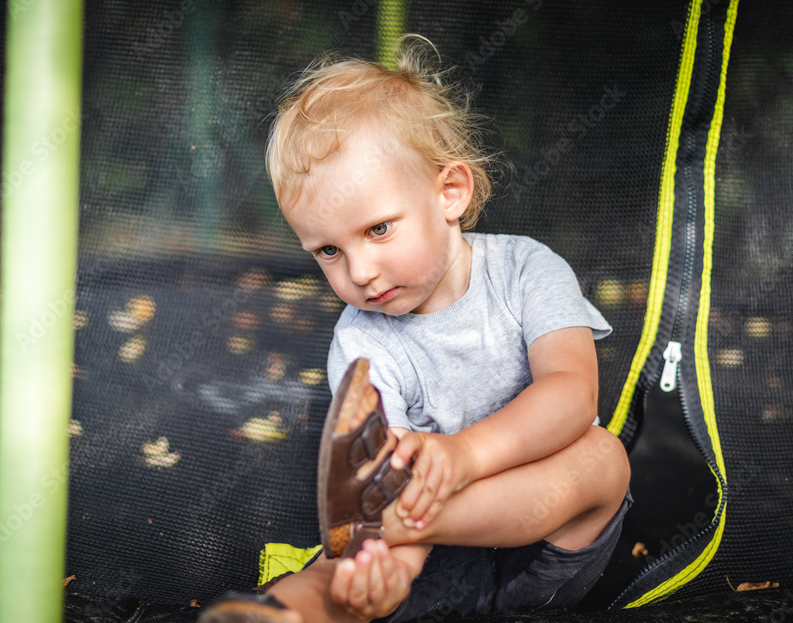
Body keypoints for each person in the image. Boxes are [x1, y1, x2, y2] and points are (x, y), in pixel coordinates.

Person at [200, 35, 631, 623]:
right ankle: (286, 614)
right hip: (430, 570)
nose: (359, 271)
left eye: (378, 230)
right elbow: (379, 491)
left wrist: (463, 456)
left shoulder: (528, 270)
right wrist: (384, 576)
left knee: (602, 459)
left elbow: (573, 394)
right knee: (339, 570)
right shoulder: (361, 341)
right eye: (328, 249)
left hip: (543, 553)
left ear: (449, 191)